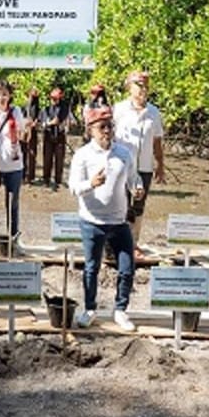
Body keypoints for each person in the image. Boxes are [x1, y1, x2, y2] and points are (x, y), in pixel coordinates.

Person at [68, 106, 142, 332]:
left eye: (110, 126)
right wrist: (91, 184)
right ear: (90, 130)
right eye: (102, 127)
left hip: (119, 221)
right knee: (92, 267)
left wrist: (137, 188)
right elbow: (72, 187)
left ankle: (120, 310)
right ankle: (90, 308)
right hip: (92, 221)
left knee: (127, 267)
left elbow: (133, 177)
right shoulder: (83, 155)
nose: (107, 131)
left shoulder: (124, 153)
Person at [112, 71, 165, 256]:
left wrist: (160, 164)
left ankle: (133, 243)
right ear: (129, 87)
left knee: (139, 205)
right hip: (122, 165)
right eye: (139, 85)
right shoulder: (118, 109)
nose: (143, 90)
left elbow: (157, 140)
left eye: (146, 86)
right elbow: (109, 136)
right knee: (121, 203)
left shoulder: (153, 112)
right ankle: (118, 244)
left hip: (144, 166)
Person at [0, 80, 26, 251]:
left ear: (9, 95)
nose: (1, 97)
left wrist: (24, 132)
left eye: (5, 94)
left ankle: (13, 239)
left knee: (13, 203)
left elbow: (23, 134)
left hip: (13, 164)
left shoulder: (16, 111)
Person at [40, 87, 74, 191]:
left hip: (60, 136)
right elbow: (42, 123)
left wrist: (67, 123)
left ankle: (57, 181)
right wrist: (50, 123)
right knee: (47, 158)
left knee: (59, 160)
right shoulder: (45, 109)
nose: (55, 101)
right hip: (48, 136)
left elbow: (70, 120)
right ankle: (46, 179)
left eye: (57, 99)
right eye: (53, 98)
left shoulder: (65, 109)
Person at [23, 88, 41, 185]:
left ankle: (31, 176)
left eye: (33, 97)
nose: (31, 98)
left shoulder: (37, 108)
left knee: (32, 154)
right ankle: (24, 175)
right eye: (30, 96)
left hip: (33, 132)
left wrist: (35, 122)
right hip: (25, 132)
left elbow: (39, 118)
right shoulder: (25, 106)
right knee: (24, 153)